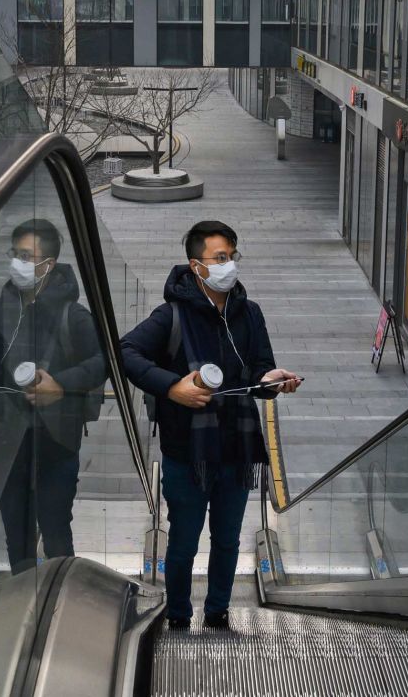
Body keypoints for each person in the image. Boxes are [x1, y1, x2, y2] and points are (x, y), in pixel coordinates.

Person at [121, 220, 302, 631]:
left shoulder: (249, 313)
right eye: (220, 258)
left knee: (227, 539)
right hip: (187, 453)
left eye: (232, 257)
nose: (229, 265)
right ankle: (179, 615)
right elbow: (127, 350)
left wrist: (273, 382)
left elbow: (260, 371)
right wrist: (172, 388)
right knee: (184, 541)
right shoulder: (172, 315)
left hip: (236, 453)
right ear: (196, 266)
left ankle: (218, 610)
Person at [0, 219, 106, 574]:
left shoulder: (73, 315)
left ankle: (59, 601)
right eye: (16, 254)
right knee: (17, 534)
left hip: (55, 442)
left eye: (28, 256)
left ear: (49, 265)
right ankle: (23, 603)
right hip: (6, 440)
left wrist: (61, 383)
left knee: (56, 530)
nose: (19, 263)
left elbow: (103, 361)